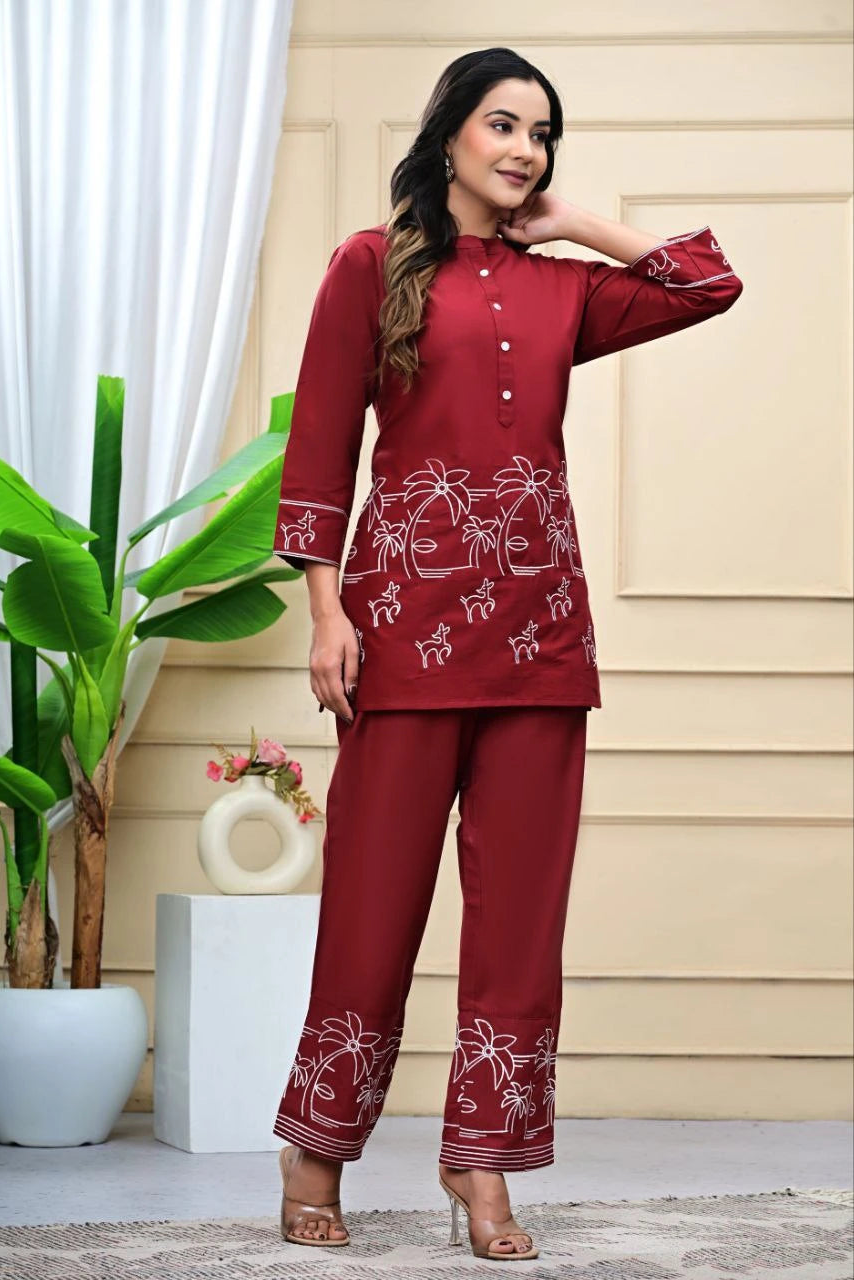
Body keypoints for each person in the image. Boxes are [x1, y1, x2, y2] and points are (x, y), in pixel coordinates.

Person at [271, 46, 743, 1260]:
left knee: (520, 923)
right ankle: (316, 1144)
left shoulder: (563, 291)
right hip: (402, 635)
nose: (523, 146)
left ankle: (479, 1165)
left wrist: (574, 222)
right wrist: (328, 613)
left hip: (541, 639)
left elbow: (707, 282)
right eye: (501, 124)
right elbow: (319, 452)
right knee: (374, 907)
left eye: (541, 132)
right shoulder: (369, 268)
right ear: (447, 137)